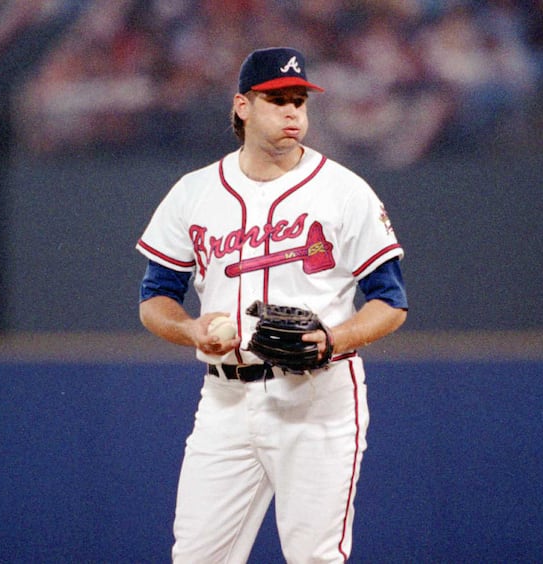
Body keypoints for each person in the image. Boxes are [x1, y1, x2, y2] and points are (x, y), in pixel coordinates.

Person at [136, 47, 408, 563]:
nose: (292, 113)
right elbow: (155, 299)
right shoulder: (194, 192)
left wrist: (334, 341)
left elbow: (390, 302)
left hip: (317, 396)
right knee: (196, 558)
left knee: (314, 558)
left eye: (299, 101)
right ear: (242, 106)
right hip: (224, 399)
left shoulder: (344, 192)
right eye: (276, 100)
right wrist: (193, 331)